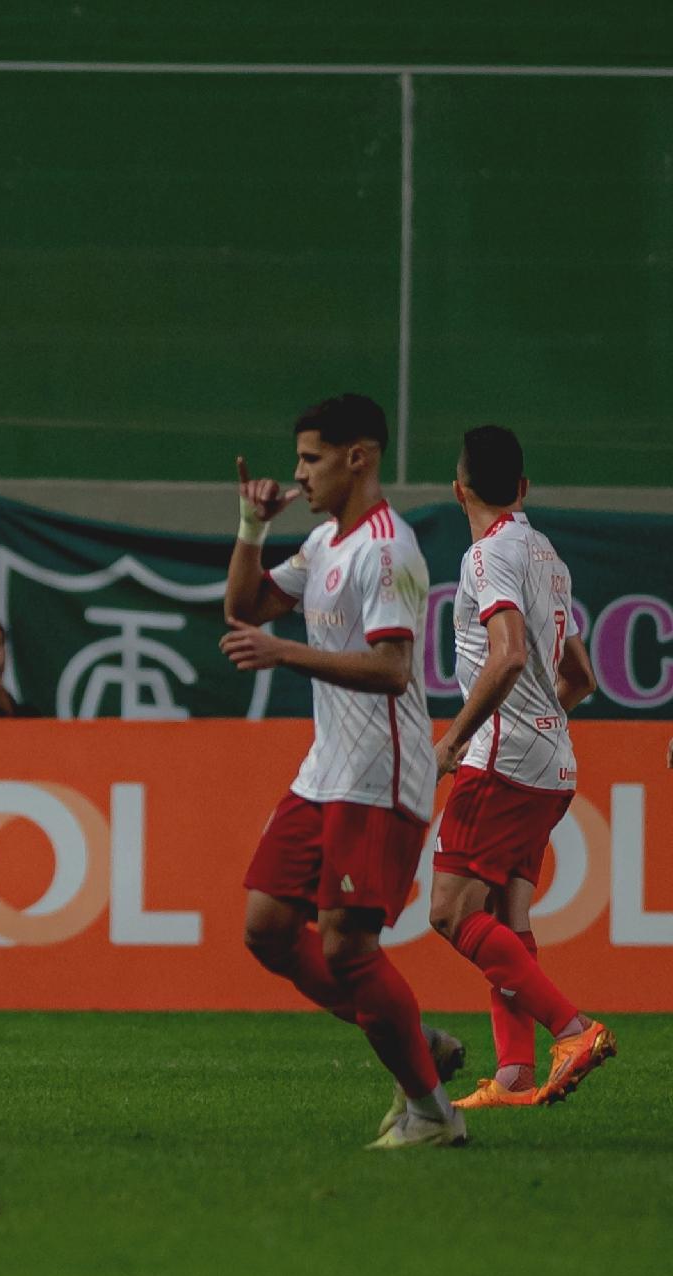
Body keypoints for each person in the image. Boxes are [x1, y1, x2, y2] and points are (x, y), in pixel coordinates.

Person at [221, 392, 466, 1150]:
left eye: (311, 458)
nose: (299, 473)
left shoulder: (389, 550)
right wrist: (251, 527)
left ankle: (430, 1113)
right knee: (266, 927)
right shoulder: (325, 542)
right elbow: (247, 607)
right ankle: (414, 1040)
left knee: (345, 948)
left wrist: (285, 654)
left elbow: (394, 671)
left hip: (380, 770)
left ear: (357, 457)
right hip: (325, 768)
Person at [427, 425, 613, 1109]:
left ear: (458, 489)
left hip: (500, 758)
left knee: (450, 913)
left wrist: (452, 742)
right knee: (506, 912)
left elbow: (506, 655)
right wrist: (542, 723)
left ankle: (574, 1028)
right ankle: (515, 1072)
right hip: (551, 758)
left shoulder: (485, 558)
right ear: (525, 488)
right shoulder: (547, 557)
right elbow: (582, 676)